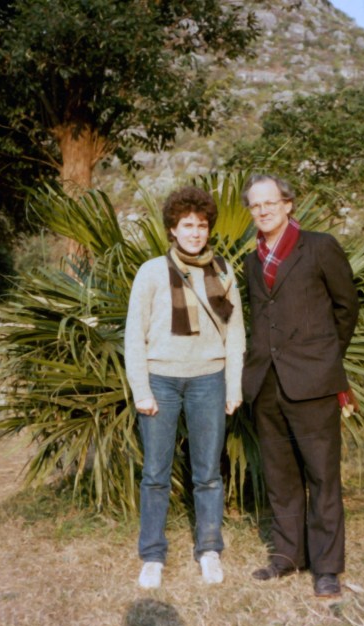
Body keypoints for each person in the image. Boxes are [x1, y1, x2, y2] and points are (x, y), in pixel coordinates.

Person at [241, 174, 359, 598]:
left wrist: (325, 357)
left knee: (323, 475)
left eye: (271, 202)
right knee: (280, 474)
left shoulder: (320, 246)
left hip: (313, 380)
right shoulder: (251, 261)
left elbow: (347, 307)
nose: (264, 210)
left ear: (288, 204)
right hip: (266, 384)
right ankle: (288, 556)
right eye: (256, 206)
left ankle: (326, 567)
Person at [124, 185, 245, 589]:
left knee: (208, 472)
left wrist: (232, 386)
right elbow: (133, 335)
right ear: (172, 229)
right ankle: (153, 555)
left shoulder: (223, 272)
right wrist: (141, 389)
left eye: (202, 225)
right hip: (161, 381)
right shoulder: (152, 272)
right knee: (156, 473)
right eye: (187, 225)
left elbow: (236, 334)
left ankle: (209, 549)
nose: (195, 233)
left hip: (208, 380)